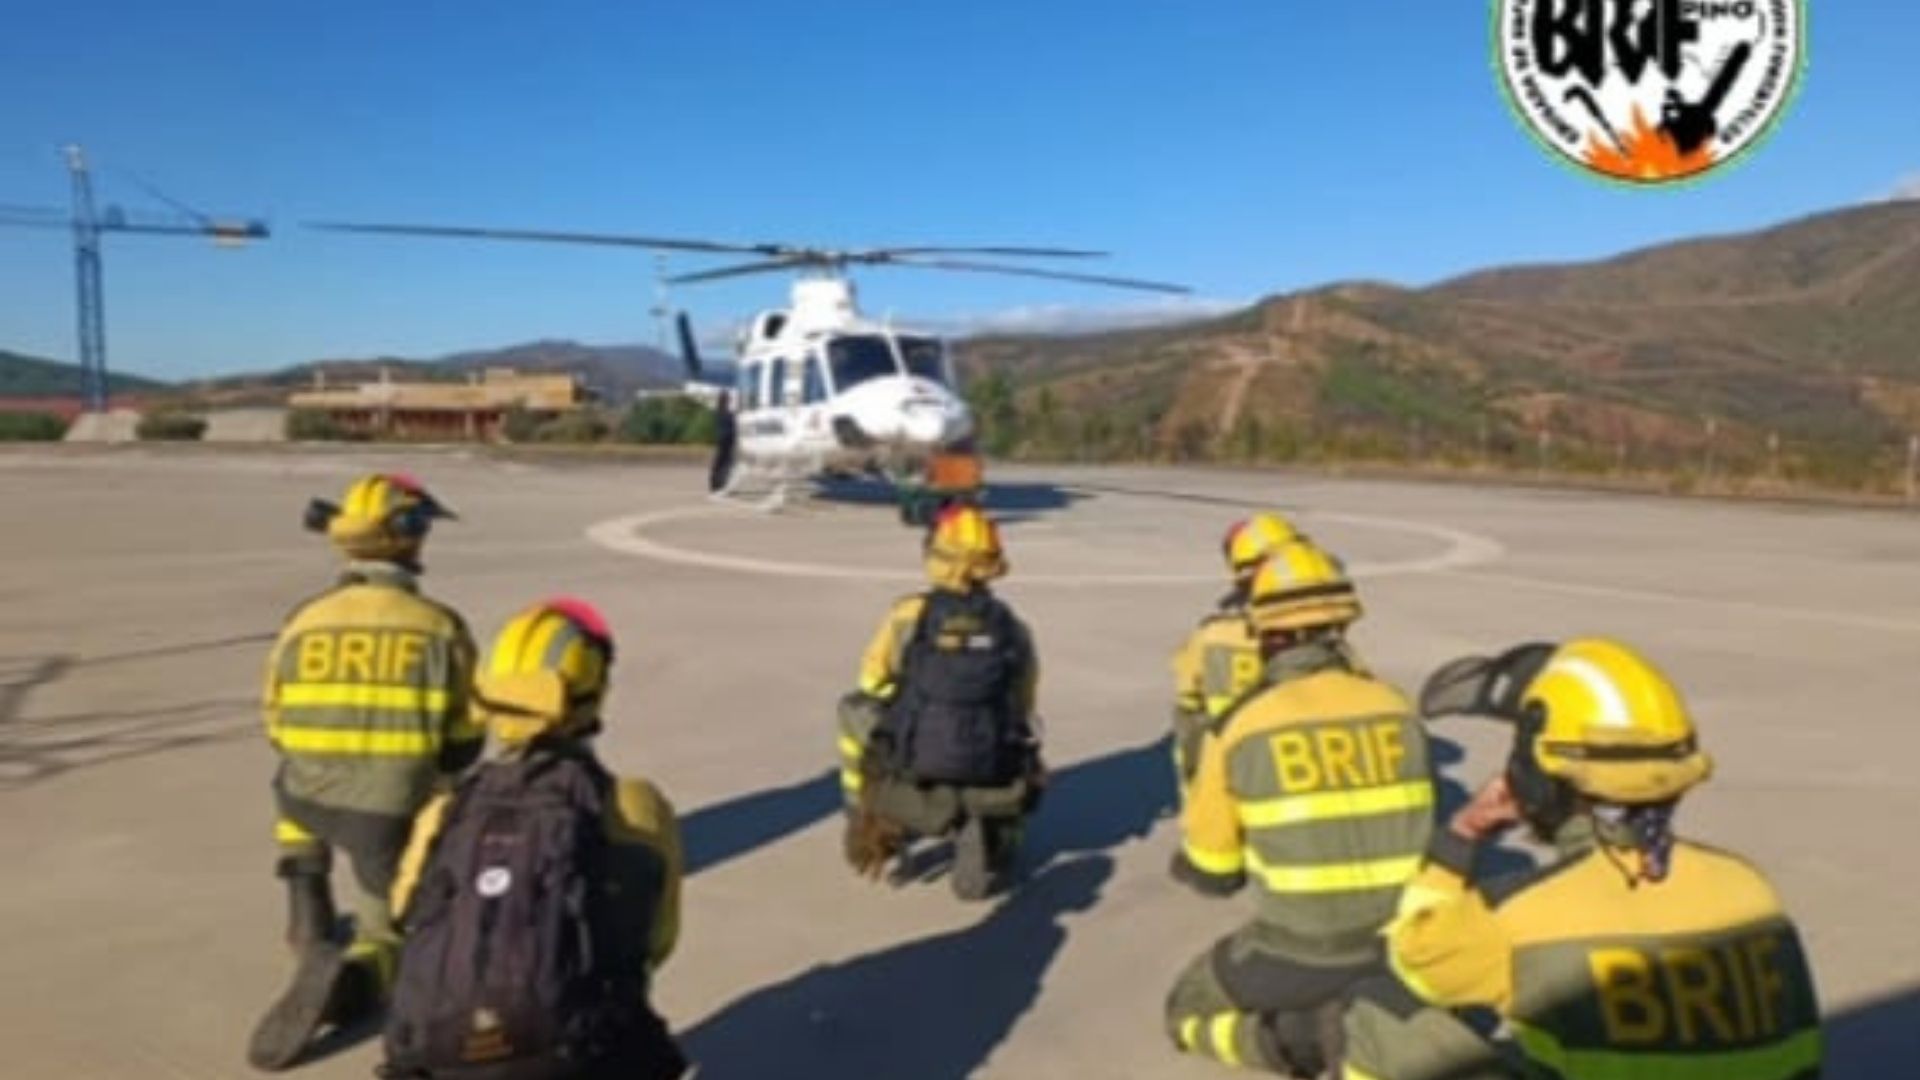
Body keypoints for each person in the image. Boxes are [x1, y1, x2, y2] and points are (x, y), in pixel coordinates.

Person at [1340, 639, 1823, 1080]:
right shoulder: (1751, 890)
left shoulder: (1519, 915)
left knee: (1380, 1011)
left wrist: (1462, 834)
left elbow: (1411, 958)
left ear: (1538, 777)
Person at [382, 599, 687, 1080]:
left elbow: (403, 914)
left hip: (444, 1051)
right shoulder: (633, 803)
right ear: (594, 695)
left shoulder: (445, 810)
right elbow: (657, 940)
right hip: (577, 1050)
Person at [1166, 540, 1434, 1077]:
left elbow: (1215, 871)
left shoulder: (1242, 724)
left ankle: (1299, 1040)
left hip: (1300, 949)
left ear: (1265, 633)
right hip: (1406, 943)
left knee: (1186, 1012)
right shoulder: (1397, 706)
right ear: (1343, 625)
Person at [249, 473, 479, 1071]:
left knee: (289, 784)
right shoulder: (439, 626)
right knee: (392, 931)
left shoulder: (304, 619)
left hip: (304, 799)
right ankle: (358, 974)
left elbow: (274, 719)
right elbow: (464, 739)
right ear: (409, 535)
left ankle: (308, 913)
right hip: (387, 813)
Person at [836, 504, 1043, 900]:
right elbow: (1025, 698)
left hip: (915, 745)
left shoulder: (908, 614)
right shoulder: (1012, 625)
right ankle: (993, 831)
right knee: (1022, 740)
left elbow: (872, 681)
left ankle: (861, 810)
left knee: (850, 711)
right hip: (988, 747)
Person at [1169, 513, 1300, 805]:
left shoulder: (1211, 638)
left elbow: (1190, 723)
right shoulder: (1324, 643)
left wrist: (1196, 794)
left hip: (1231, 781)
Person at [708, 391, 737, 494]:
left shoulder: (719, 411)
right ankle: (720, 484)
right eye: (728, 399)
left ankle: (716, 484)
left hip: (722, 439)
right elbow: (732, 424)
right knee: (726, 462)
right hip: (727, 439)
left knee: (720, 461)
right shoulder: (726, 413)